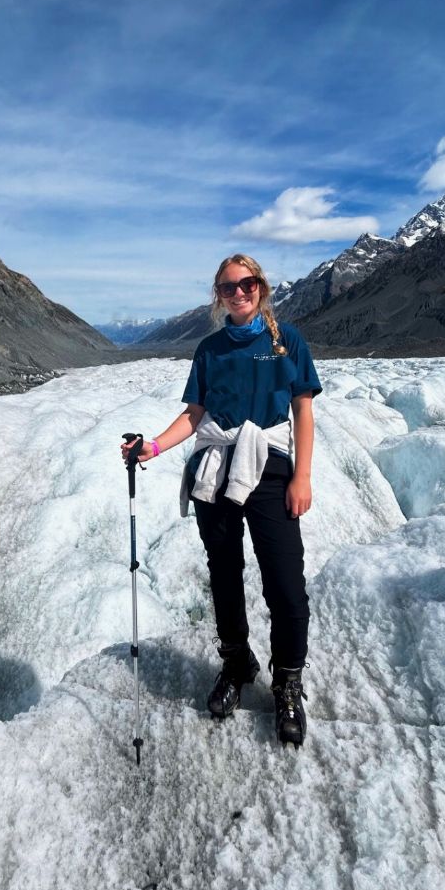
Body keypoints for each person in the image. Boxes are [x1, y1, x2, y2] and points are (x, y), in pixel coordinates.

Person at [121, 253, 321, 746]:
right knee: (224, 573)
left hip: (270, 465)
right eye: (229, 287)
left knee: (285, 580)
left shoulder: (287, 340)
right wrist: (153, 447)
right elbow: (196, 413)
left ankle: (288, 680)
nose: (239, 293)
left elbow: (303, 410)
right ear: (218, 294)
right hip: (215, 467)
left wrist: (303, 477)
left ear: (261, 287)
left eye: (247, 284)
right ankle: (237, 663)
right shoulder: (209, 348)